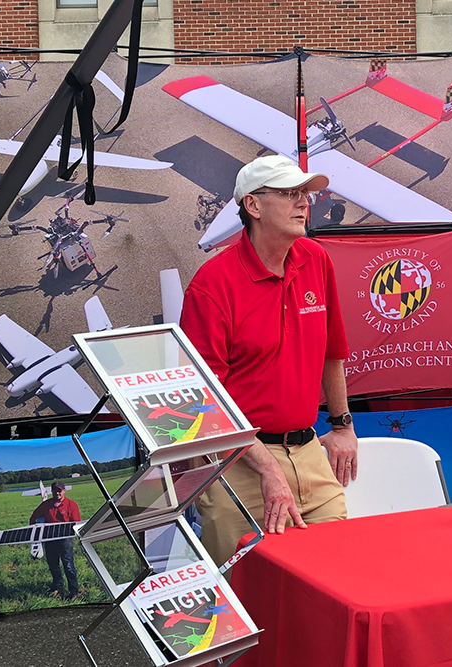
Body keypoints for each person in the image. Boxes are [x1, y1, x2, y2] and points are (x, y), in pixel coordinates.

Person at [179, 155, 358, 567]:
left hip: (309, 451)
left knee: (337, 574)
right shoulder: (212, 285)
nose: (304, 203)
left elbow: (333, 351)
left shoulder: (316, 260)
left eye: (305, 194)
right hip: (238, 460)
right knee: (246, 592)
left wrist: (343, 426)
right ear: (254, 206)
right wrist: (266, 468)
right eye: (290, 194)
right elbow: (206, 400)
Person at [30, 480, 81, 599]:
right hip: (50, 538)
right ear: (51, 491)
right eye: (55, 490)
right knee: (53, 565)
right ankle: (57, 587)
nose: (57, 493)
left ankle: (74, 591)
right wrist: (35, 534)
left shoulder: (71, 505)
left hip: (64, 538)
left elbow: (76, 523)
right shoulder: (46, 505)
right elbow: (33, 517)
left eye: (59, 490)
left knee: (68, 565)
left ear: (64, 491)